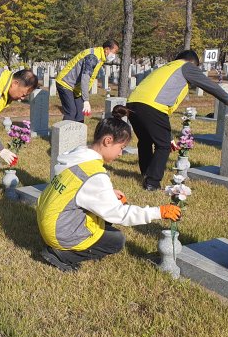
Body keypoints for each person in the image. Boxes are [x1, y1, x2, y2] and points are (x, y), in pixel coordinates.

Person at [36, 106, 182, 271]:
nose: (120, 154)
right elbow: (119, 215)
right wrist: (158, 212)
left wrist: (109, 194)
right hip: (60, 232)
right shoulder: (95, 175)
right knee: (116, 240)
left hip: (48, 220)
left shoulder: (77, 155)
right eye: (121, 148)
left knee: (105, 222)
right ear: (108, 141)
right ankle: (62, 255)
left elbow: (75, 187)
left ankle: (61, 245)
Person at [127, 50, 228, 190]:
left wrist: (168, 136)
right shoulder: (186, 66)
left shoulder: (167, 67)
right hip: (153, 107)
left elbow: (160, 100)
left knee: (145, 141)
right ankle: (152, 183)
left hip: (132, 104)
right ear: (193, 63)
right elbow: (208, 84)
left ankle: (146, 174)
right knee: (162, 146)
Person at [55, 40, 120, 122]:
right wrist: (86, 100)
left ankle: (78, 134)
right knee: (71, 112)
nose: (114, 55)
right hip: (65, 83)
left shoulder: (100, 57)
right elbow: (85, 77)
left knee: (80, 113)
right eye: (114, 52)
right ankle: (64, 134)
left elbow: (90, 77)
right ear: (106, 49)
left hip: (76, 88)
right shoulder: (93, 57)